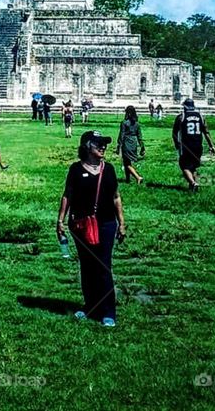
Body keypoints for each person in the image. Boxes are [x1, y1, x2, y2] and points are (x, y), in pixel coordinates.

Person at [56, 130, 126, 328]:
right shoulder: (76, 169)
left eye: (104, 144)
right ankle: (91, 306)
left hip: (105, 224)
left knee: (103, 266)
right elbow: (67, 195)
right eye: (98, 144)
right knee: (87, 266)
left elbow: (116, 197)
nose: (103, 147)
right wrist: (60, 220)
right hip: (80, 224)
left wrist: (122, 223)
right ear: (87, 147)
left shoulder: (109, 169)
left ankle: (108, 312)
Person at [172, 98, 215, 192]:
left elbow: (174, 133)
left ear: (185, 107)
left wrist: (177, 144)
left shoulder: (181, 117)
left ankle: (193, 183)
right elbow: (206, 132)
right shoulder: (201, 116)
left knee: (184, 166)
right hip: (198, 145)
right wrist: (211, 146)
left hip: (186, 146)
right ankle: (193, 188)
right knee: (193, 167)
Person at [116, 105, 145, 185]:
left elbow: (121, 135)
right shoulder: (137, 124)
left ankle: (138, 177)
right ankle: (127, 179)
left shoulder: (124, 123)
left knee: (127, 163)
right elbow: (140, 137)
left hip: (126, 142)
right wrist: (142, 147)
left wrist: (119, 146)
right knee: (127, 162)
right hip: (134, 142)